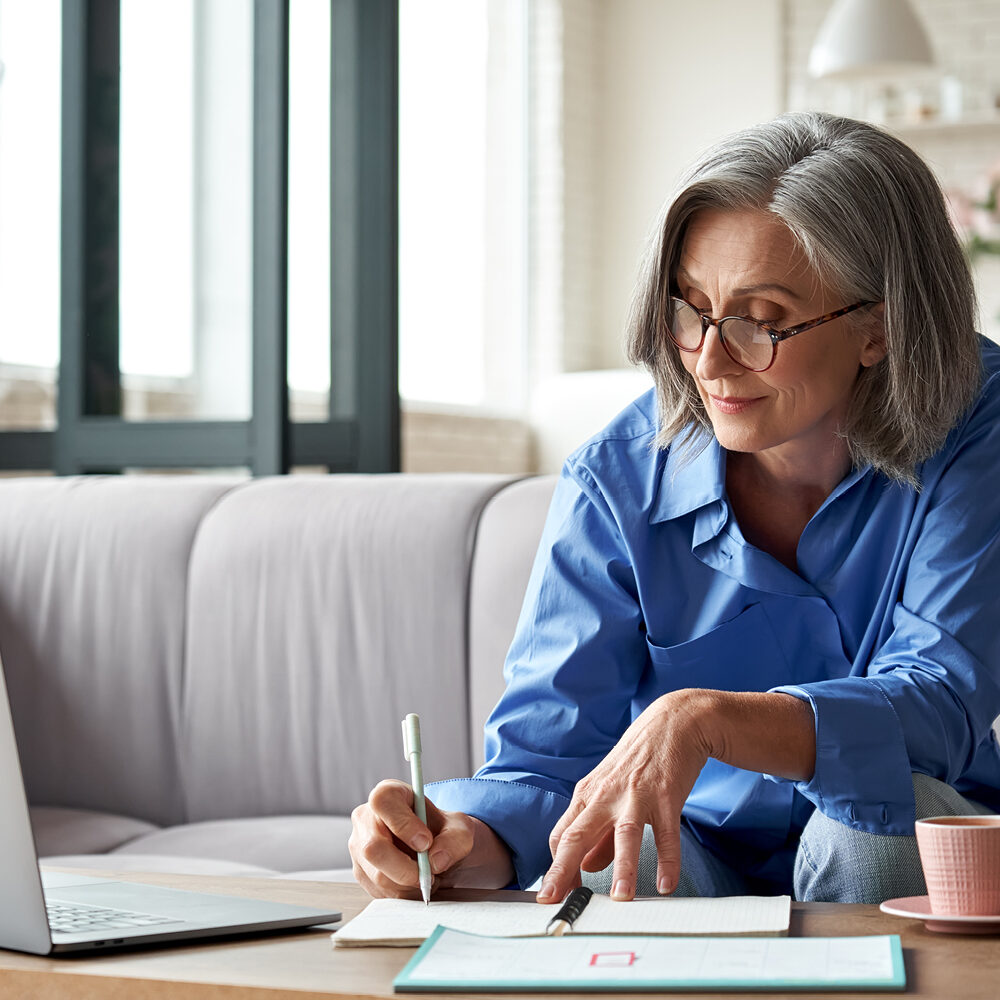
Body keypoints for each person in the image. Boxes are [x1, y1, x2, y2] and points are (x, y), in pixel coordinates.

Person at [349, 111, 1000, 905]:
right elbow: (547, 764)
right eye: (690, 309)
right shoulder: (615, 477)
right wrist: (456, 843)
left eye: (761, 321)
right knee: (603, 851)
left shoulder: (977, 426)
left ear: (879, 327)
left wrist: (707, 718)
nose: (709, 359)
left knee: (866, 827)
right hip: (694, 850)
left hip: (907, 835)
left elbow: (939, 701)